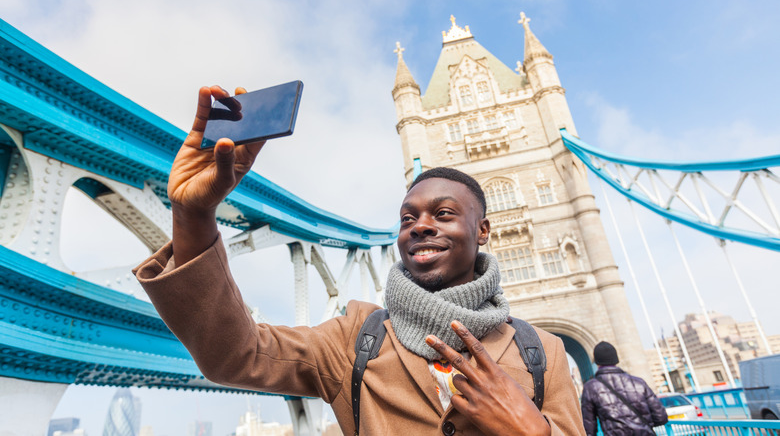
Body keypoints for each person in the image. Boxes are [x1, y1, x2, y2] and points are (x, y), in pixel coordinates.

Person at [134, 86, 586, 435]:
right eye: (408, 218)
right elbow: (234, 355)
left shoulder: (541, 352)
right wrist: (193, 215)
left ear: (483, 230)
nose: (420, 226)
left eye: (443, 214)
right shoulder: (354, 341)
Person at [580, 341, 669, 435]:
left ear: (597, 362)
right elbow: (661, 418)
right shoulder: (639, 382)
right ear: (616, 359)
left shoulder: (591, 387)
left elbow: (589, 427)